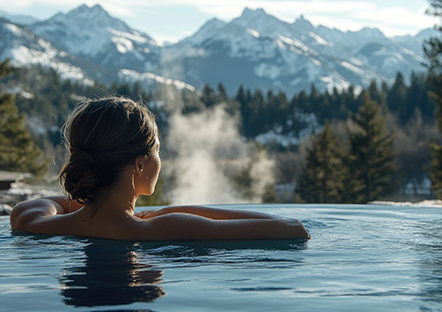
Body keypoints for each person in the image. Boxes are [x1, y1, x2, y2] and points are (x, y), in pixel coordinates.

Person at [10, 97, 310, 241]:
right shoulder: (161, 228)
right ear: (139, 163)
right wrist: (170, 212)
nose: (159, 160)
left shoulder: (31, 221)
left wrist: (91, 202)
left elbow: (43, 204)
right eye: (157, 151)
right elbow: (293, 229)